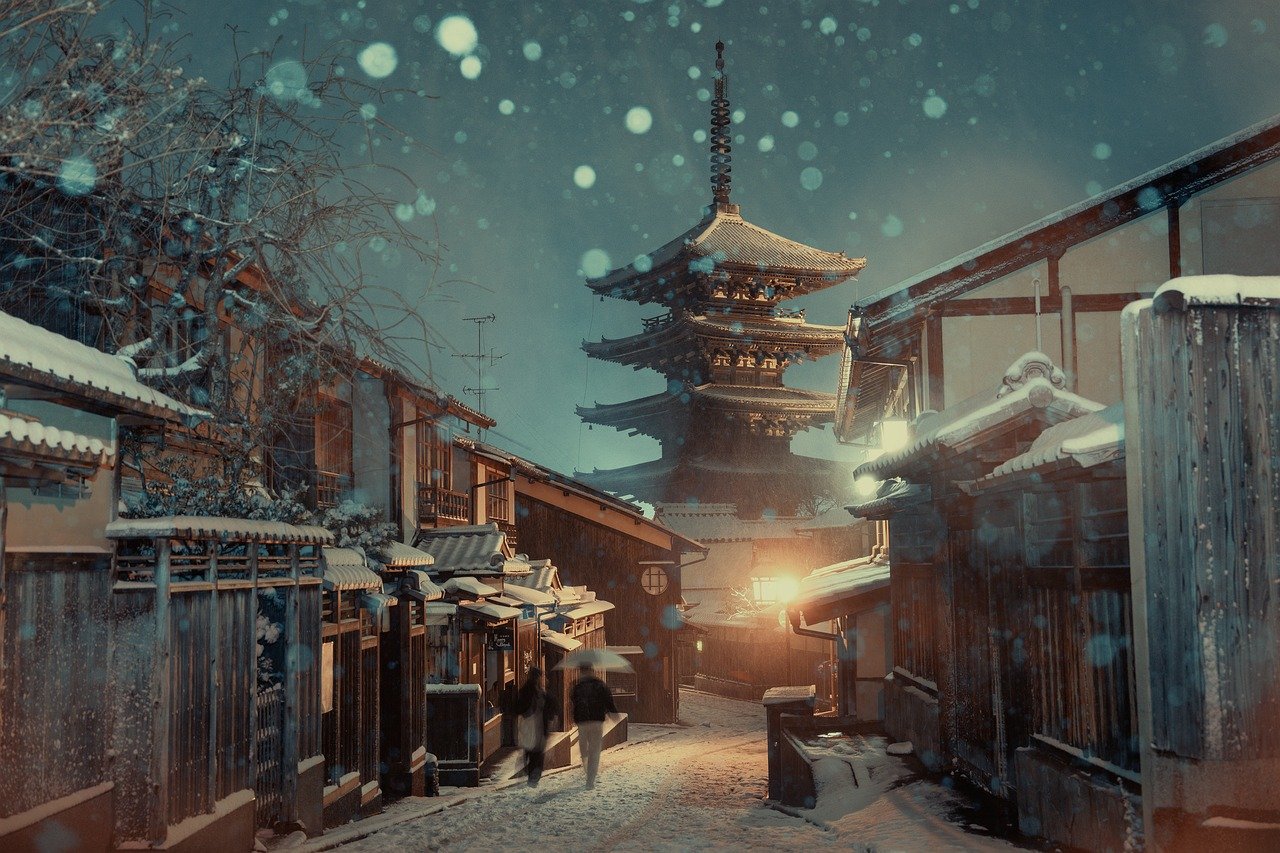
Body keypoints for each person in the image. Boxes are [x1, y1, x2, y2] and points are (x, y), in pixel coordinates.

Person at [570, 662, 617, 790]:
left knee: (585, 750)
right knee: (593, 751)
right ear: (592, 671)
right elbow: (609, 700)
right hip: (596, 720)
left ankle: (589, 774)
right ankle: (590, 777)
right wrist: (613, 713)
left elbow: (573, 701)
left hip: (583, 721)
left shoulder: (577, 686)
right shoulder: (600, 685)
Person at [513, 667, 557, 787]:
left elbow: (518, 707)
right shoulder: (535, 692)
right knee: (536, 752)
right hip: (534, 724)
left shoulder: (528, 690)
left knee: (531, 750)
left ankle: (532, 775)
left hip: (531, 725)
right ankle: (533, 776)